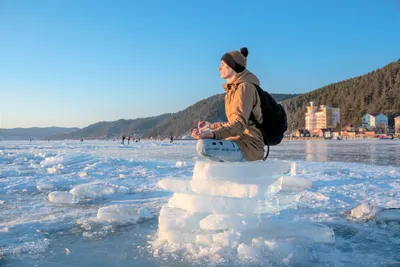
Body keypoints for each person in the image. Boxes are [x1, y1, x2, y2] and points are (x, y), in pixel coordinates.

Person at [192, 47, 264, 162]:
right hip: (237, 141)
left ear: (232, 66)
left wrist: (211, 133)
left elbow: (239, 125)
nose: (218, 68)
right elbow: (233, 123)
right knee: (205, 144)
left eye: (222, 64)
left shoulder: (245, 88)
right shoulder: (232, 90)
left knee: (204, 146)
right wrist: (211, 126)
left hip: (249, 146)